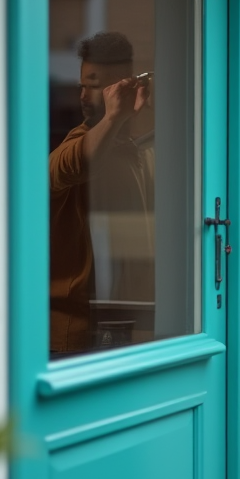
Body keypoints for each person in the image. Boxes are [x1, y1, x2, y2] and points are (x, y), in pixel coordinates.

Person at [49, 31, 154, 354]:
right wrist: (112, 117)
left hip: (121, 327)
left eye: (95, 86)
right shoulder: (77, 143)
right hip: (71, 338)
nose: (83, 95)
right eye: (83, 85)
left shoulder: (131, 152)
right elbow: (73, 164)